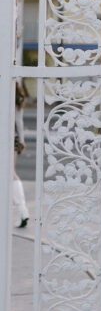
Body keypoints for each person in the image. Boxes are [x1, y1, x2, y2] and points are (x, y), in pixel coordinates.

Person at [13, 82, 29, 229]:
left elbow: (18, 120)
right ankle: (23, 211)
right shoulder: (16, 97)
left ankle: (23, 211)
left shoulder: (10, 96)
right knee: (11, 174)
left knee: (11, 174)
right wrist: (22, 141)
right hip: (13, 138)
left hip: (9, 138)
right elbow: (19, 120)